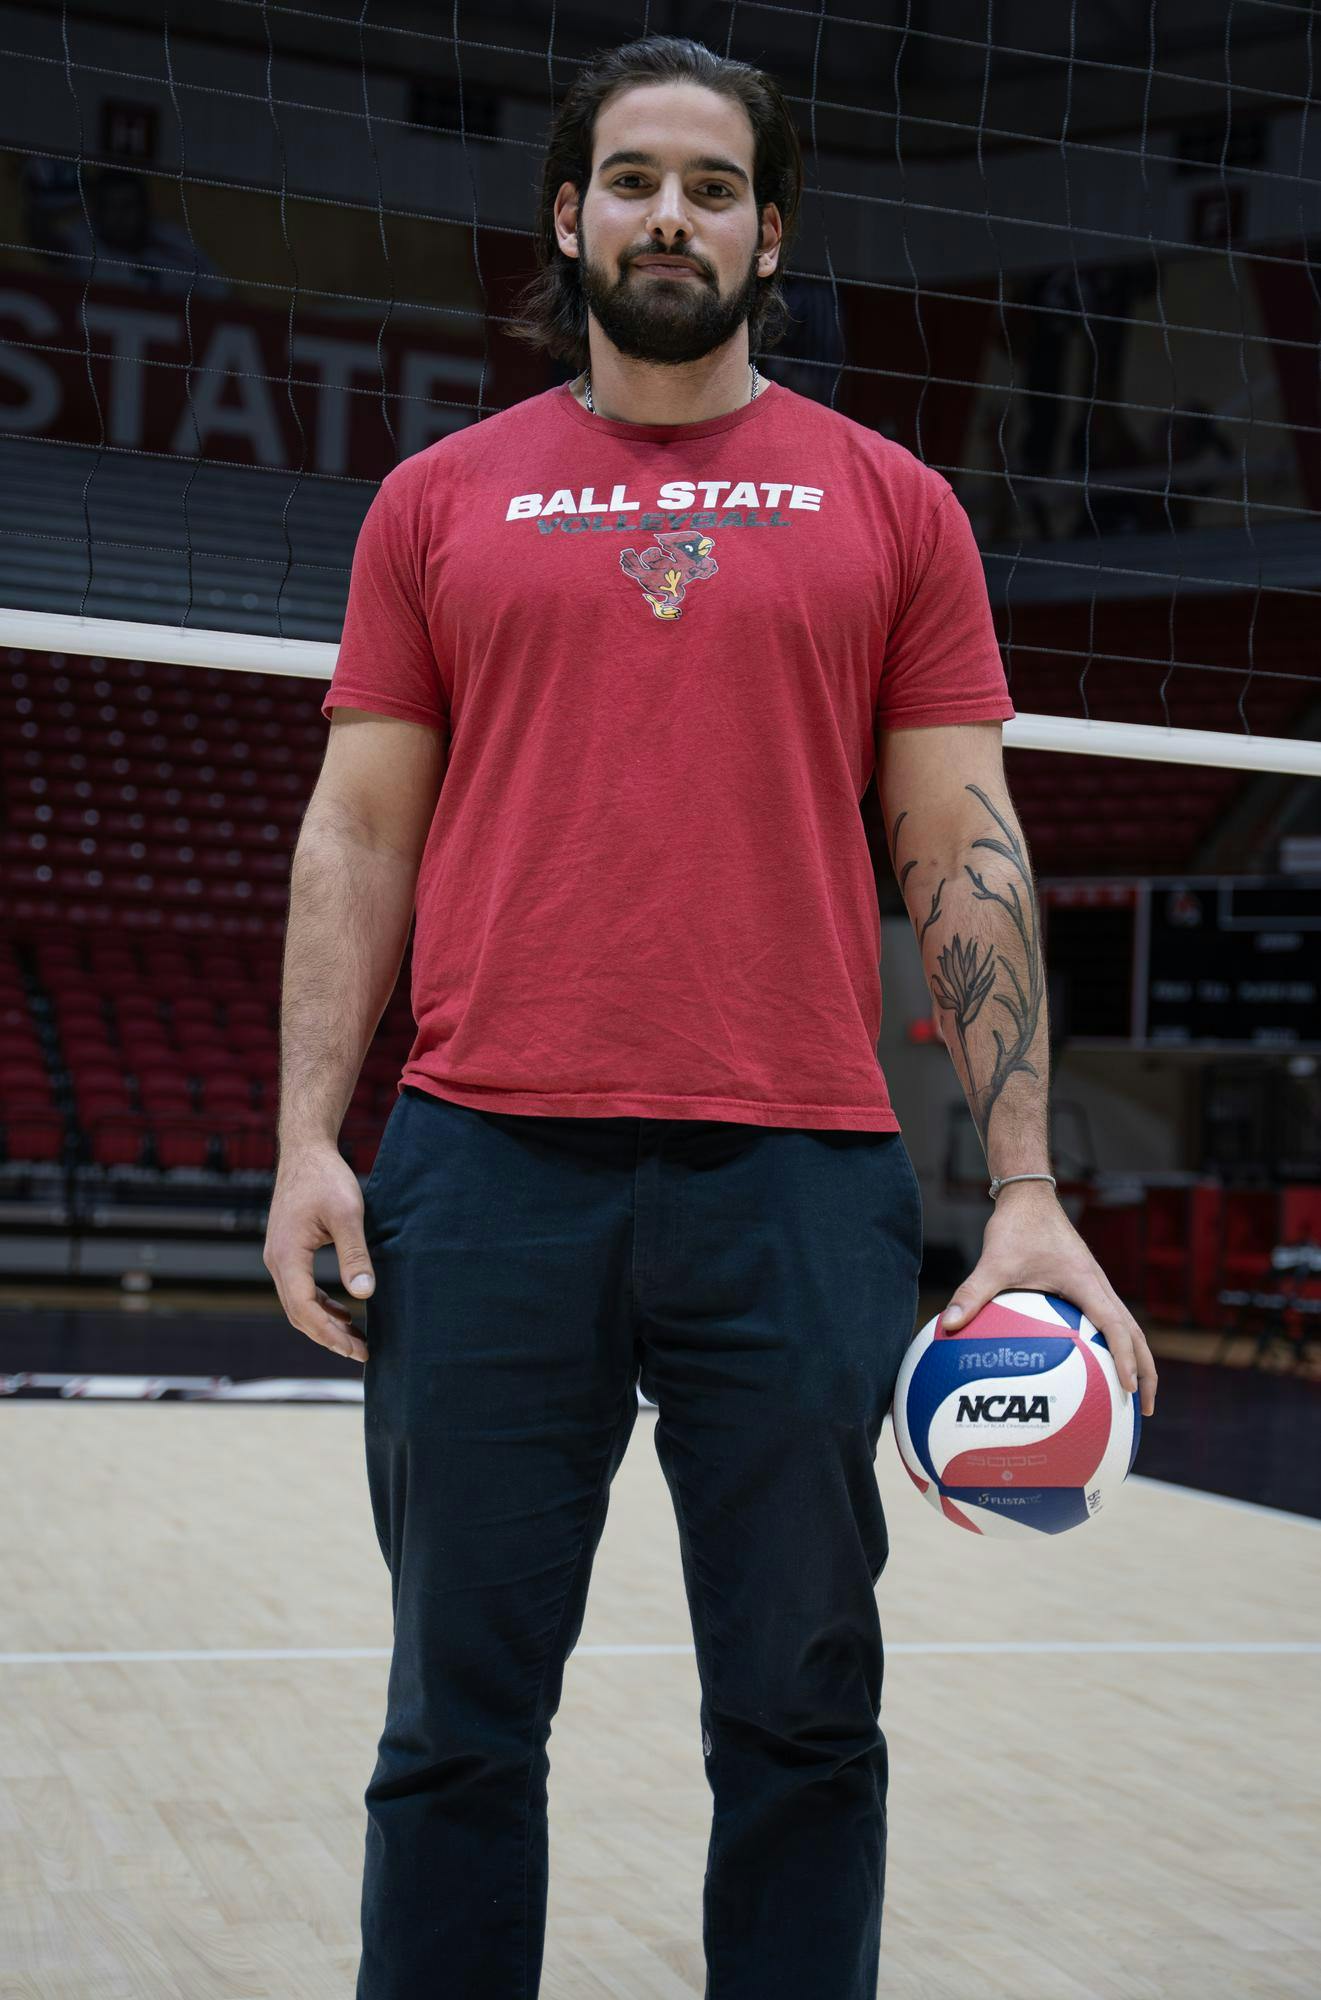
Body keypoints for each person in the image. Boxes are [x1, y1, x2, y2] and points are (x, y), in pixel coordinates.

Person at [263, 33, 1158, 2000]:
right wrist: (311, 1139)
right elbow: (360, 827)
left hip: (797, 1179)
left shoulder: (892, 504)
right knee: (455, 1732)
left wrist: (1020, 1184)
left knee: (804, 1721)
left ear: (771, 234)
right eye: (638, 180)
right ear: (569, 216)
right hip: (484, 1174)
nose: (674, 215)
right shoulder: (434, 500)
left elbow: (962, 841)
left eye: (716, 186)